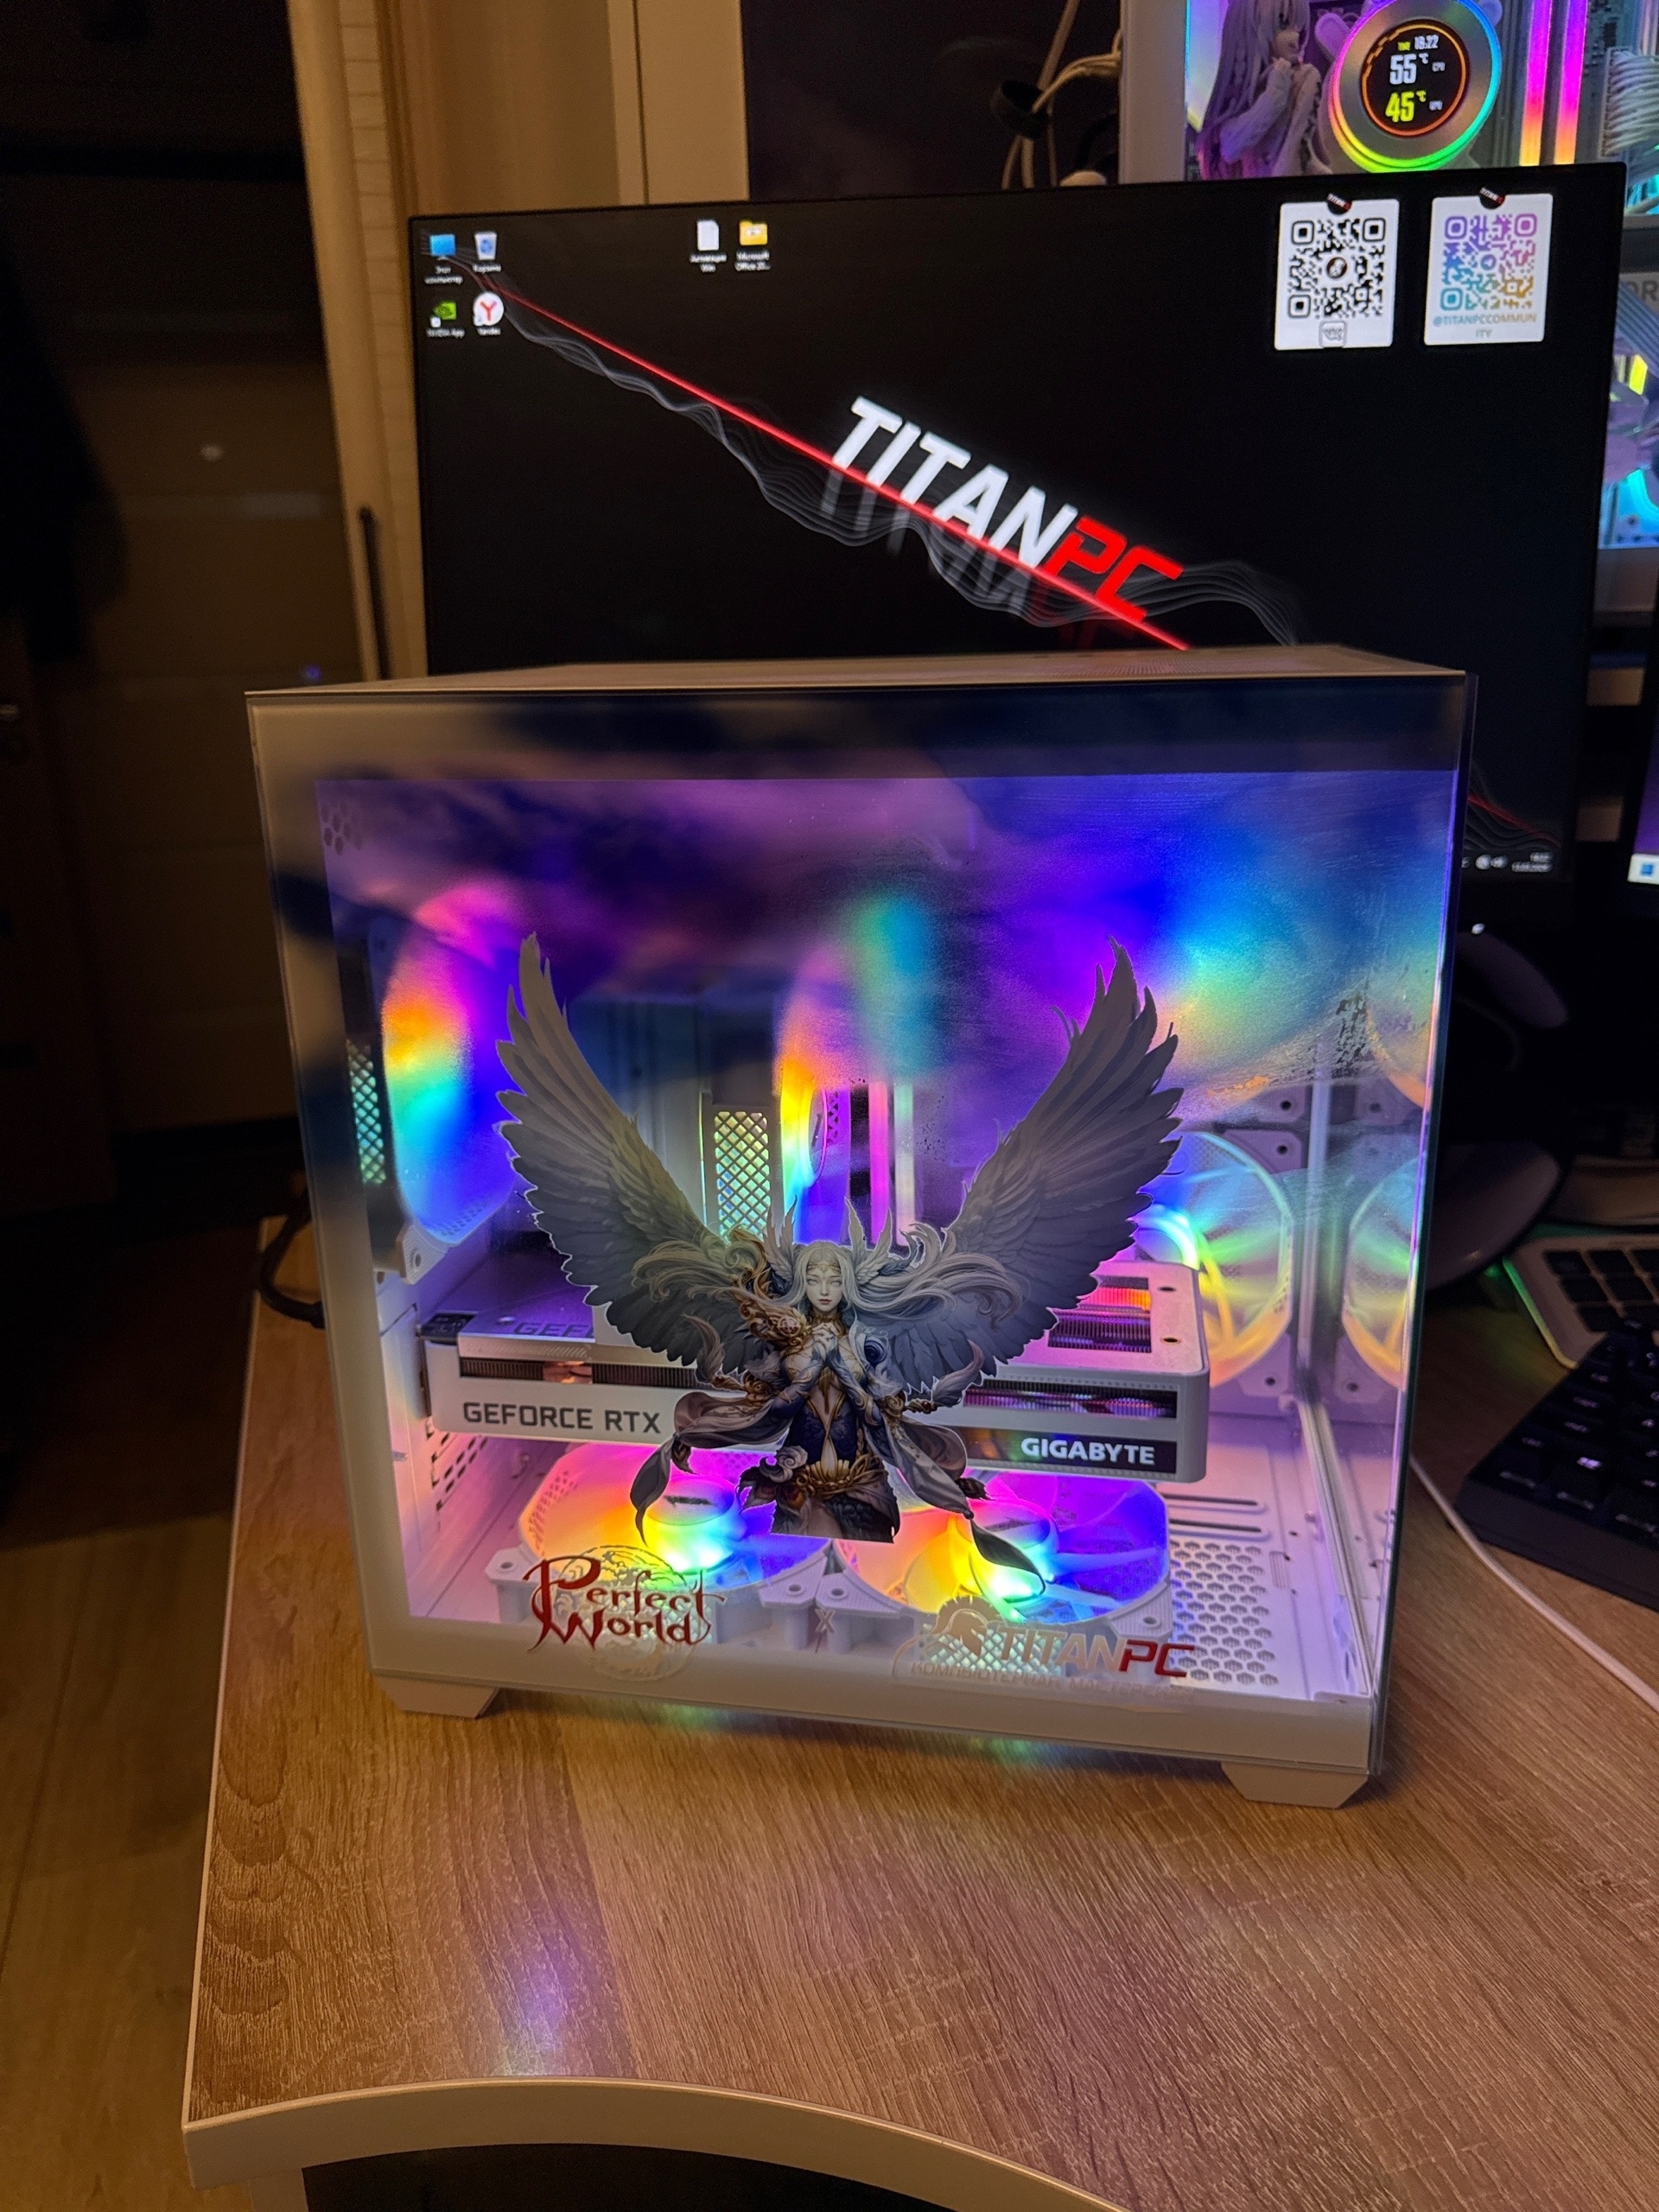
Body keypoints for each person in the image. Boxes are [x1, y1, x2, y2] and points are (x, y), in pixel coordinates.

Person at [1197, 0, 1332, 179]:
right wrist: (1273, 97)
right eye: (1283, 23)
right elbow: (1230, 148)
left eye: (1300, 31)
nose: (1295, 39)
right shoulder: (1247, 91)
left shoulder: (1305, 78)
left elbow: (1298, 152)